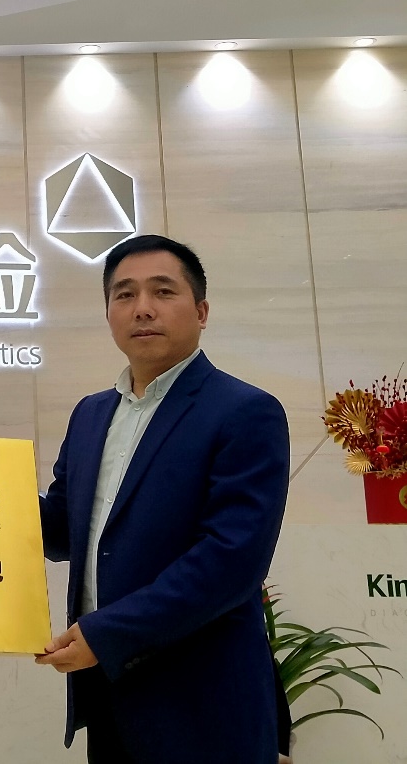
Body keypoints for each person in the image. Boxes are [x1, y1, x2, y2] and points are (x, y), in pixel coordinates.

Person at [36, 234, 289, 764]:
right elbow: (61, 529)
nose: (143, 308)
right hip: (109, 695)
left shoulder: (245, 411)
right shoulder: (90, 415)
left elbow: (230, 561)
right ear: (109, 314)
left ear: (201, 312)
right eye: (124, 294)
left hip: (203, 704)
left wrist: (107, 634)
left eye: (163, 291)